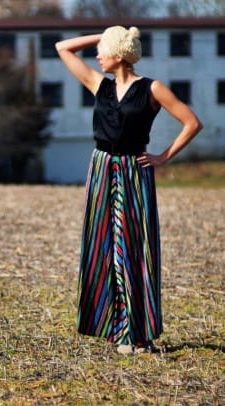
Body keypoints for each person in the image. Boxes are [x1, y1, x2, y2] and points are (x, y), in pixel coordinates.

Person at [55, 26, 202, 354]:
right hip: (102, 169)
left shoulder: (153, 89)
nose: (97, 56)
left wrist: (163, 156)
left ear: (119, 55)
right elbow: (63, 47)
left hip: (135, 171)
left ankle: (138, 334)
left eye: (103, 51)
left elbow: (192, 123)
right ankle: (114, 328)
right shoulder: (99, 86)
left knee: (135, 249)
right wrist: (102, 36)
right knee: (104, 247)